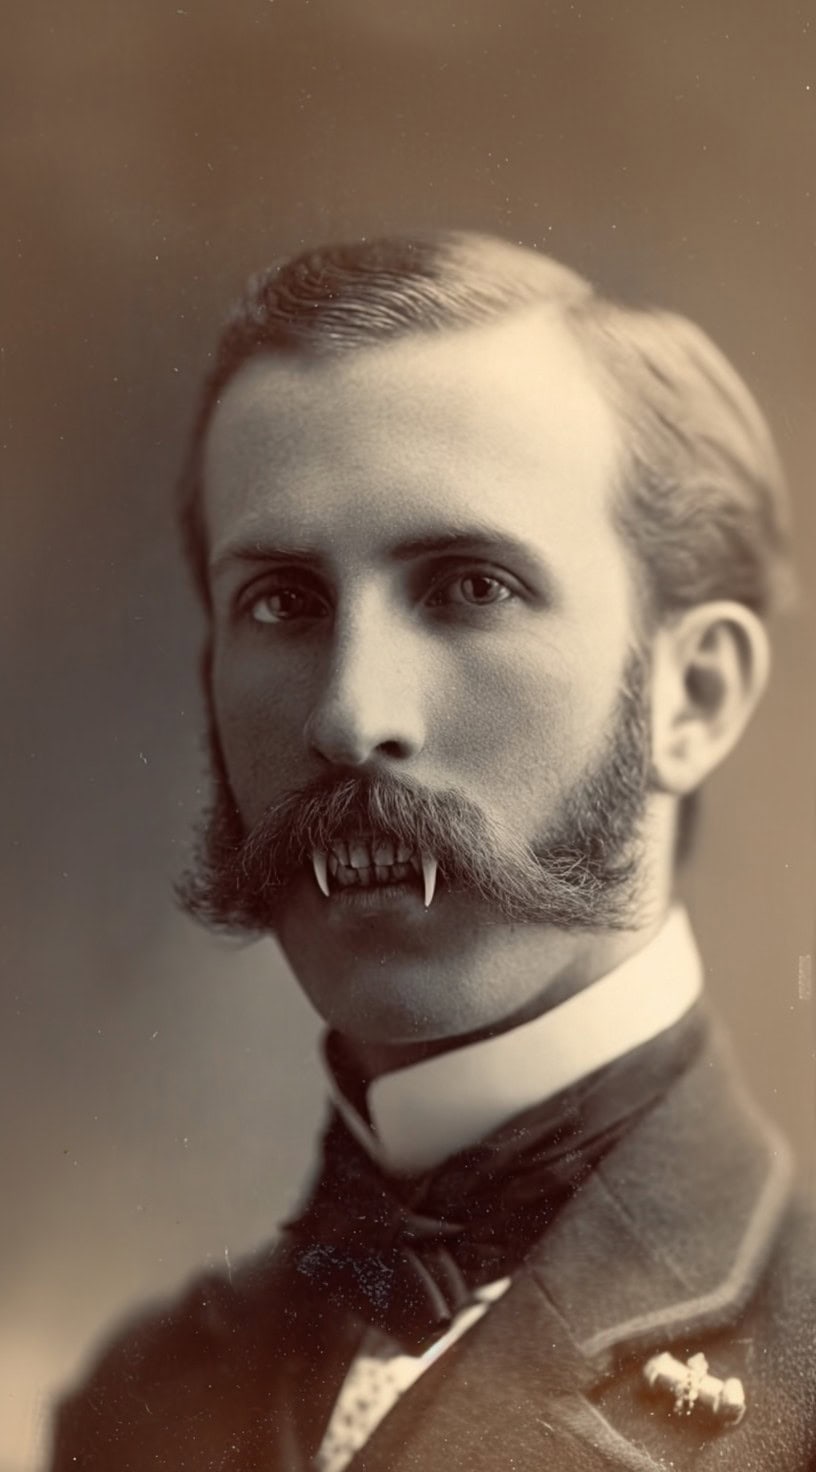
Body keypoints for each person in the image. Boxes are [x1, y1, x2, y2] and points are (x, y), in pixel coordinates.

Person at [49, 232, 816, 1470]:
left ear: (695, 694)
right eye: (283, 602)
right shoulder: (144, 1398)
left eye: (469, 587)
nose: (350, 716)